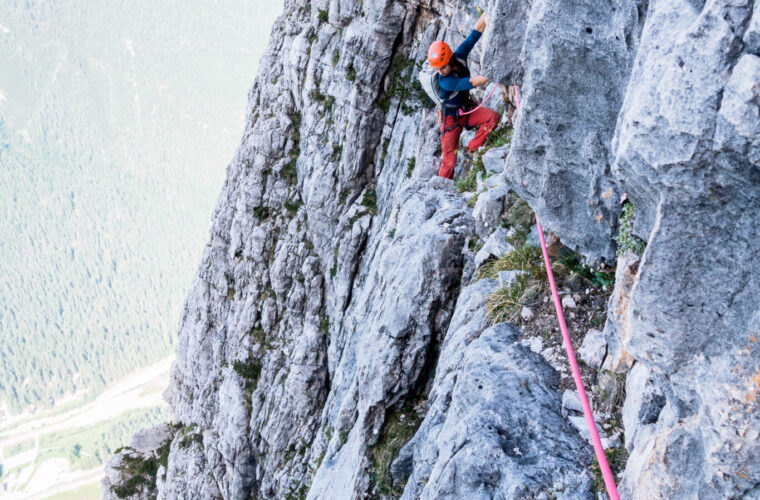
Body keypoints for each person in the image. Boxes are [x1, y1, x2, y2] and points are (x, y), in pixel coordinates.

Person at [428, 12, 500, 180]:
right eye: (437, 69)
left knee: (493, 118)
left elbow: (475, 32)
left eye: (442, 67)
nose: (440, 72)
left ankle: (472, 149)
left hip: (466, 109)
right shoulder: (445, 81)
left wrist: (489, 11)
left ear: (449, 59)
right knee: (449, 161)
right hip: (451, 120)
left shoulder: (458, 56)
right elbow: (474, 82)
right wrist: (497, 71)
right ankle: (442, 187)